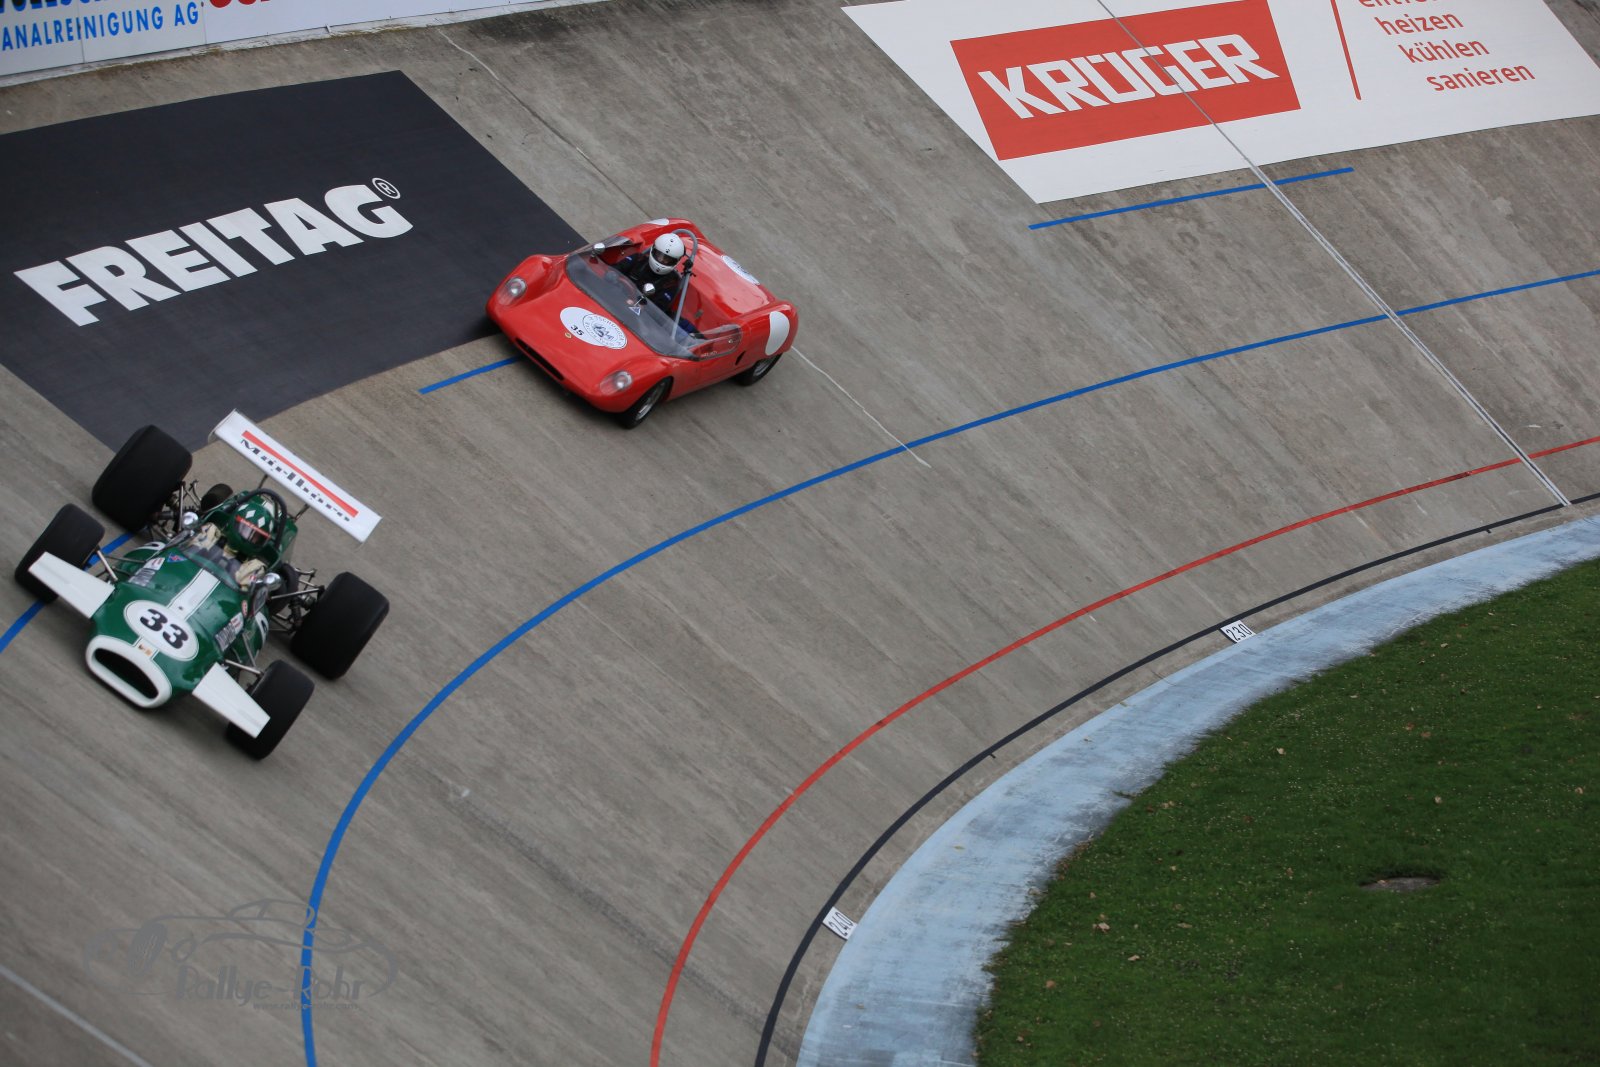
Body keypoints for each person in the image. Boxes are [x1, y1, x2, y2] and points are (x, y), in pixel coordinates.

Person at [189, 495, 278, 587]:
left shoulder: (255, 567)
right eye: (246, 530)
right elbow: (188, 551)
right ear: (234, 523)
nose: (251, 539)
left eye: (257, 538)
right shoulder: (210, 532)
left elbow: (242, 592)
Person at [616, 232, 686, 316]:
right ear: (653, 250)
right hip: (616, 297)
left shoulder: (671, 282)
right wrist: (613, 277)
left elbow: (658, 309)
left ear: (675, 261)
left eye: (667, 259)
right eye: (659, 255)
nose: (661, 260)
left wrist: (643, 306)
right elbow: (614, 270)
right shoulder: (639, 259)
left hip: (637, 315)